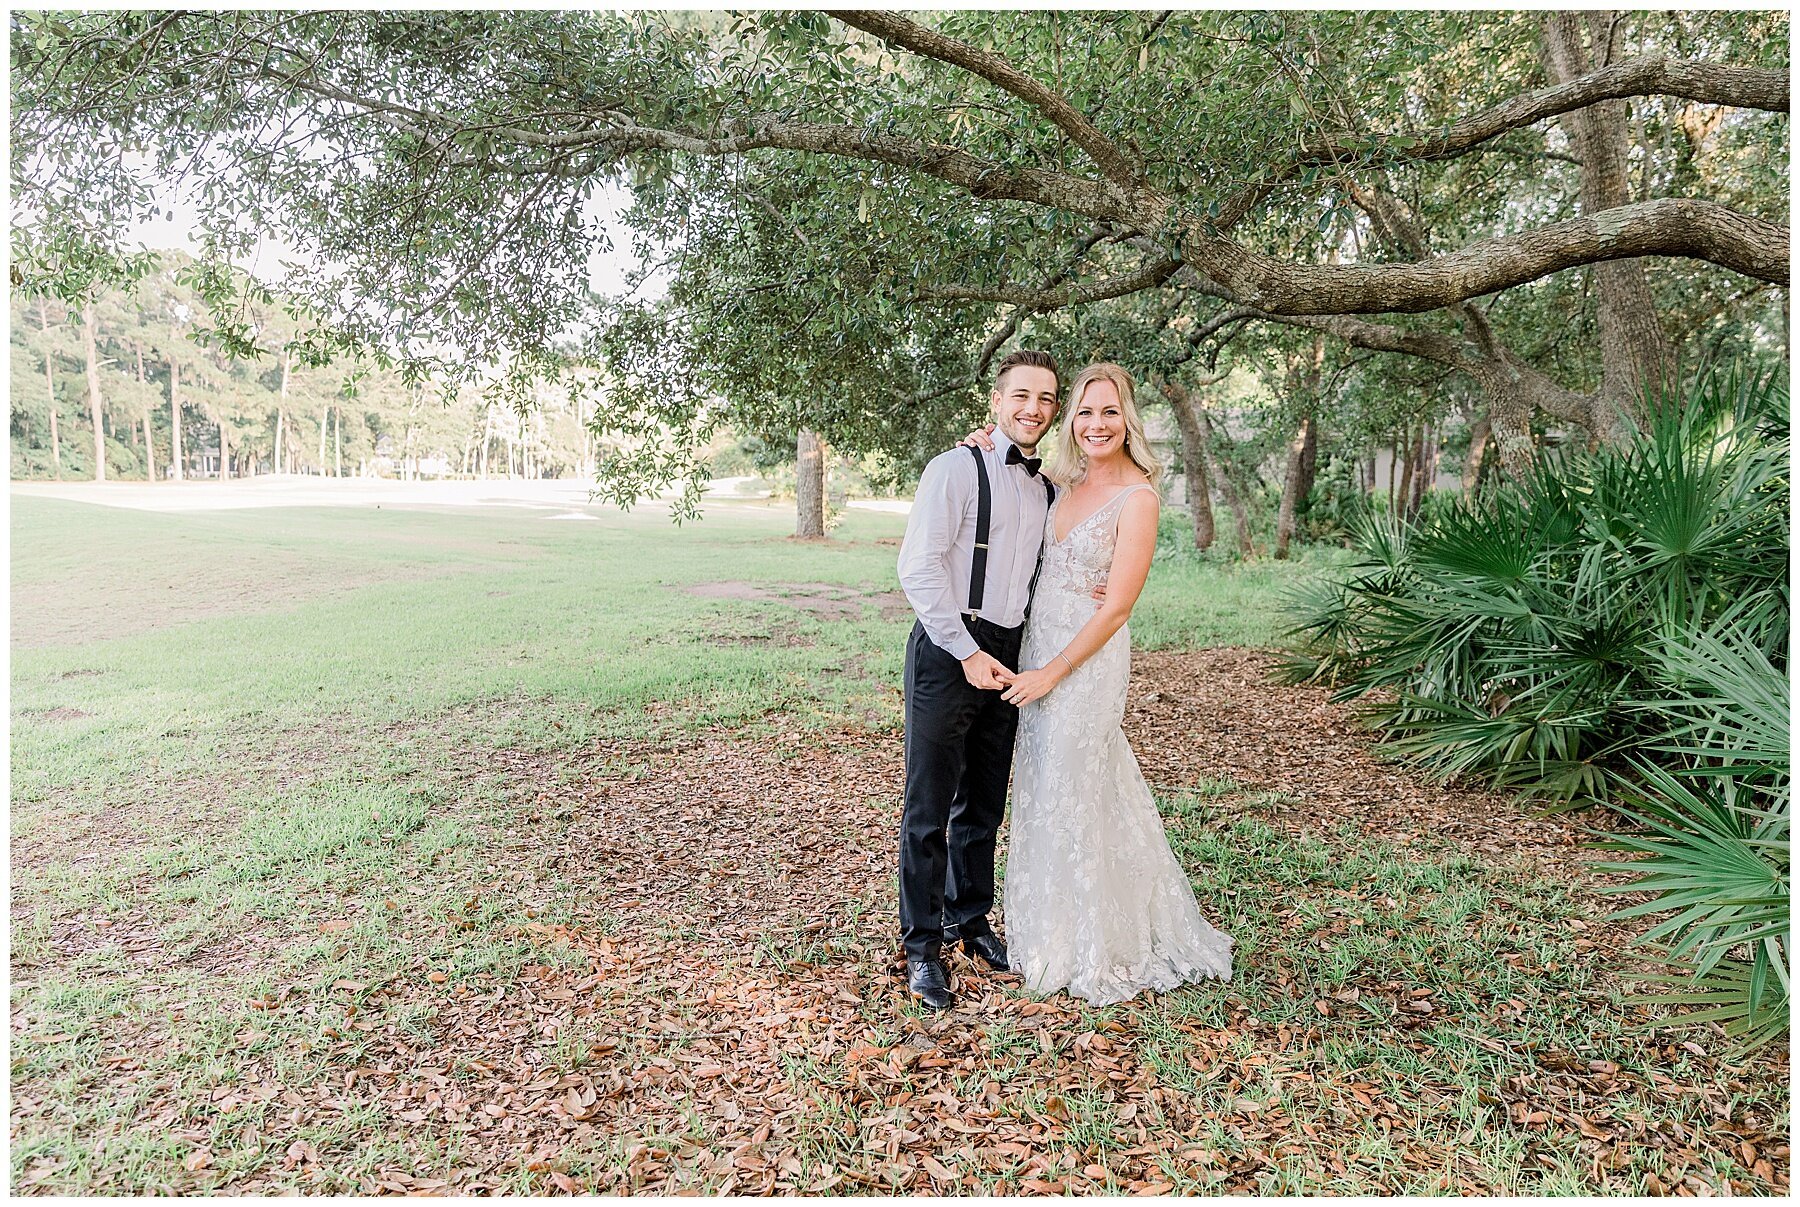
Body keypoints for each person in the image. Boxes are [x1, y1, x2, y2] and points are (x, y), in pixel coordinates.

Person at [966, 363, 1233, 1006]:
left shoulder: (1138, 498)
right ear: (1072, 421)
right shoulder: (1060, 482)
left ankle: (1091, 942)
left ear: (1128, 419)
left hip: (1083, 665)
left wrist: (1051, 673)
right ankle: (1041, 932)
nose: (1095, 424)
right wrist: (981, 442)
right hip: (1036, 649)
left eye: (1108, 412)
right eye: (1084, 412)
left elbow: (1116, 609)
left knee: (1075, 784)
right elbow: (1007, 475)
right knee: (1043, 785)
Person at [894, 349, 1062, 1010]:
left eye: (1046, 398)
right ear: (996, 401)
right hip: (949, 644)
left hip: (1010, 648)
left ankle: (971, 920)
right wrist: (964, 650)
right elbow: (918, 567)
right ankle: (921, 946)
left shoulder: (1046, 487)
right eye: (1021, 395)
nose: (1033, 408)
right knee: (929, 805)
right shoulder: (954, 468)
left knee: (984, 803)